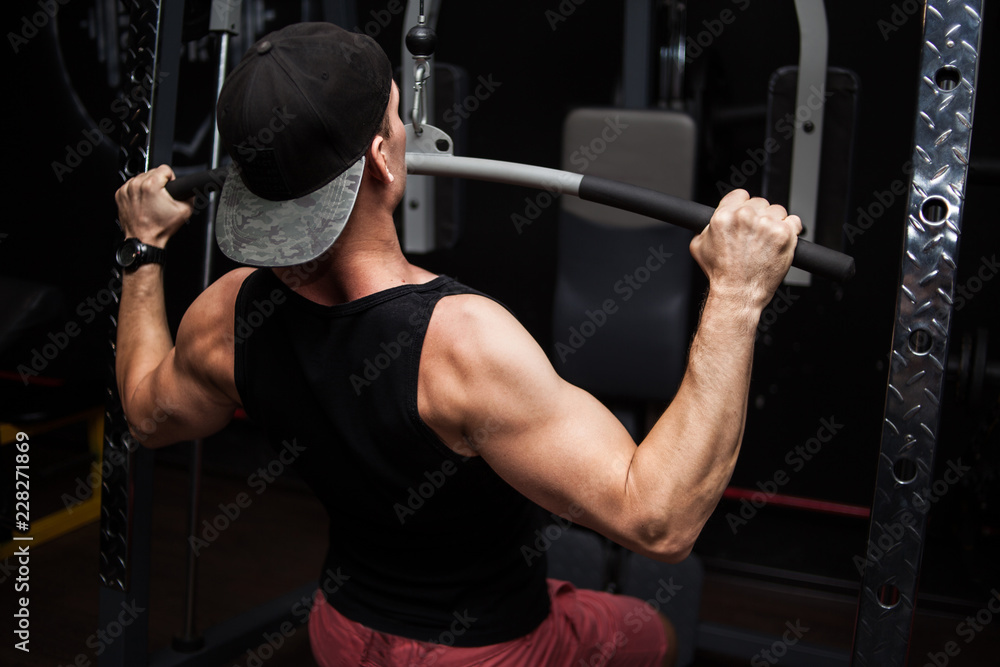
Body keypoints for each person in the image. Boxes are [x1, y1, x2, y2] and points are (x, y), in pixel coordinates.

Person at [113, 22, 801, 667]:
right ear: (381, 158)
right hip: (486, 652)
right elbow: (660, 521)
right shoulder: (462, 345)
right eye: (395, 117)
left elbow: (145, 413)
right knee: (655, 634)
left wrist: (141, 247)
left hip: (341, 630)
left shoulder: (225, 314)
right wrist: (737, 294)